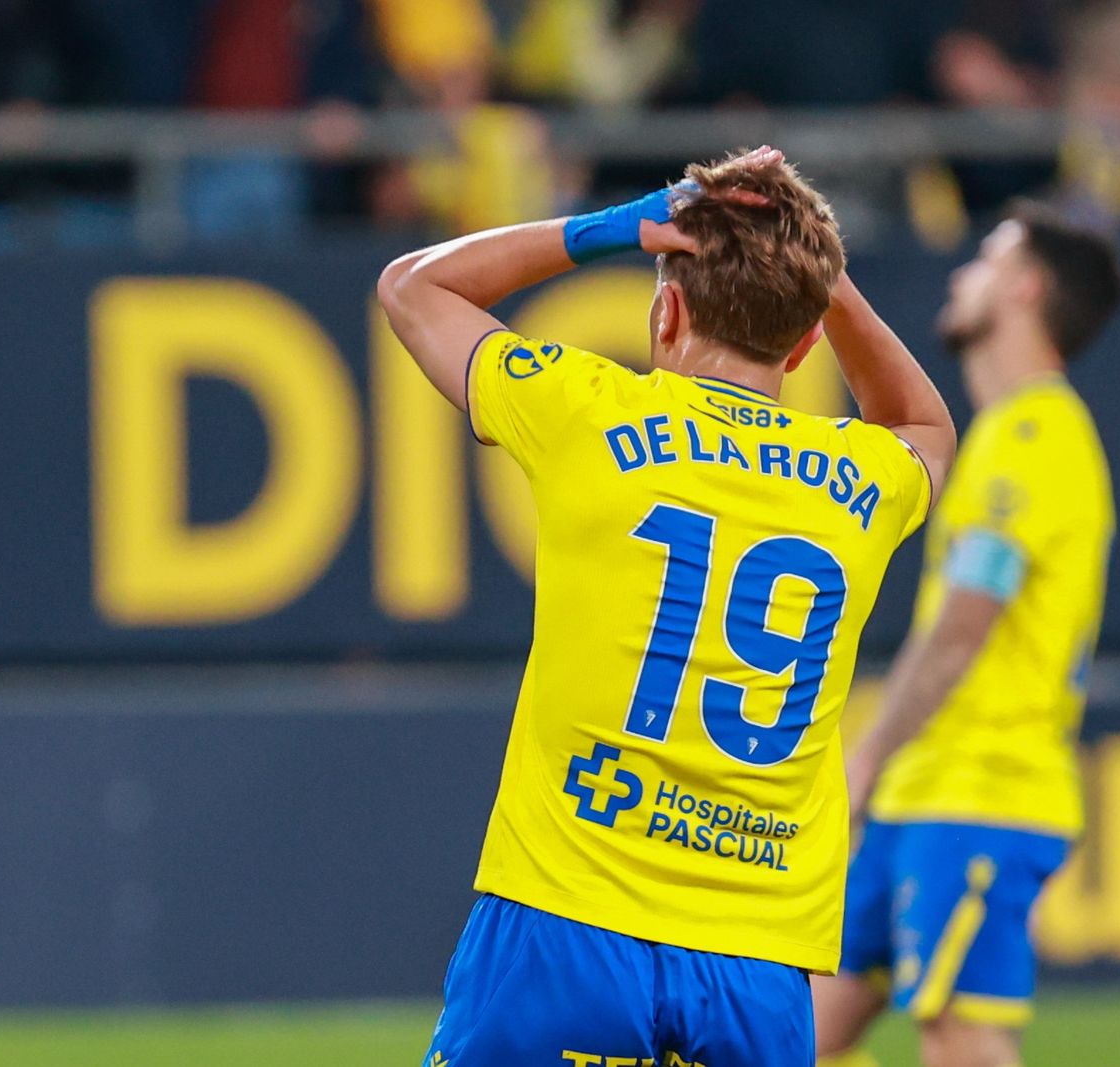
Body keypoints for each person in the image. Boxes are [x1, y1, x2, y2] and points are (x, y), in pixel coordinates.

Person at [377, 145, 955, 1067]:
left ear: (665, 308)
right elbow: (925, 424)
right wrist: (824, 281)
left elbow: (414, 289)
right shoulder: (861, 480)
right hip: (756, 958)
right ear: (807, 344)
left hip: (565, 920)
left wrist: (617, 223)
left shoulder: (591, 414)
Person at [814, 202, 1120, 1067]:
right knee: (799, 1034)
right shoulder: (1007, 434)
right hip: (926, 794)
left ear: (1026, 288)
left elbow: (963, 627)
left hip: (982, 789)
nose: (961, 275)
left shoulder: (1036, 433)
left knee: (959, 1036)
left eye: (986, 260)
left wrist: (867, 751)